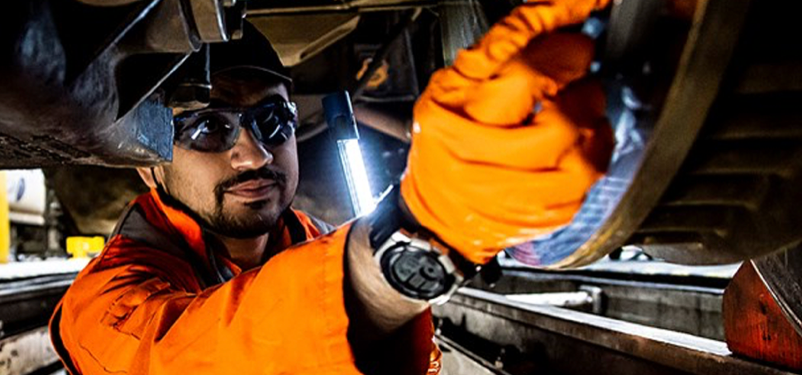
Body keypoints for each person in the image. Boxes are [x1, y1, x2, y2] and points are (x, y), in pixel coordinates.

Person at [49, 0, 613, 373]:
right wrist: (419, 231)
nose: (254, 154)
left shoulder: (318, 240)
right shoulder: (104, 301)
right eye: (208, 127)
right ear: (149, 164)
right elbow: (185, 359)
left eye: (273, 122)